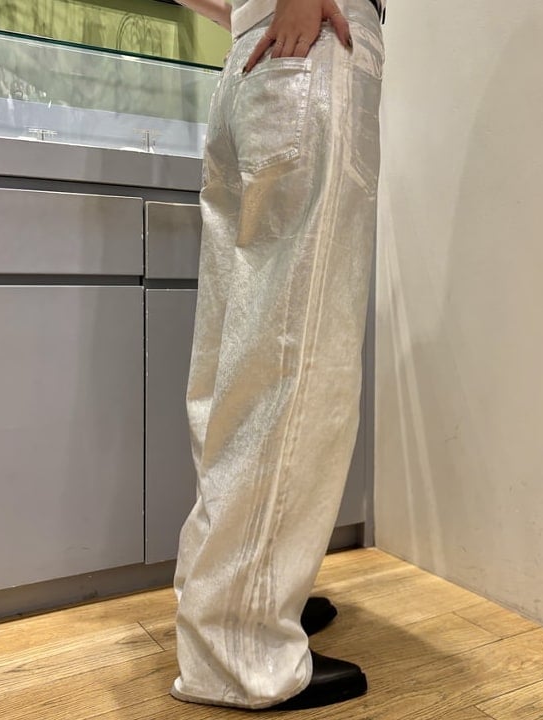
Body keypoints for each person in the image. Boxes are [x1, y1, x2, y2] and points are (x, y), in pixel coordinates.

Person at [171, 0, 385, 710]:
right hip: (313, 46)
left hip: (254, 53)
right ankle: (241, 646)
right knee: (297, 359)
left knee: (237, 362)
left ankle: (230, 597)